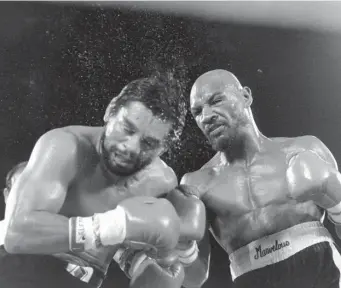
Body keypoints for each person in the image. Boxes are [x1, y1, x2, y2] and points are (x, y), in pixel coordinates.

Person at [2, 75, 206, 288]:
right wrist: (116, 226)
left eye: (148, 143)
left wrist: (185, 247)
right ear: (110, 111)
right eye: (127, 129)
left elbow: (195, 280)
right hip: (23, 270)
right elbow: (16, 233)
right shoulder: (65, 147)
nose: (131, 147)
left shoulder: (161, 182)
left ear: (163, 148)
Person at [181, 69, 341, 288]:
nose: (206, 116)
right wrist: (182, 248)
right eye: (197, 112)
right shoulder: (196, 185)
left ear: (245, 96)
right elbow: (194, 278)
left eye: (216, 100)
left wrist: (338, 204)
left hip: (320, 273)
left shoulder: (305, 149)